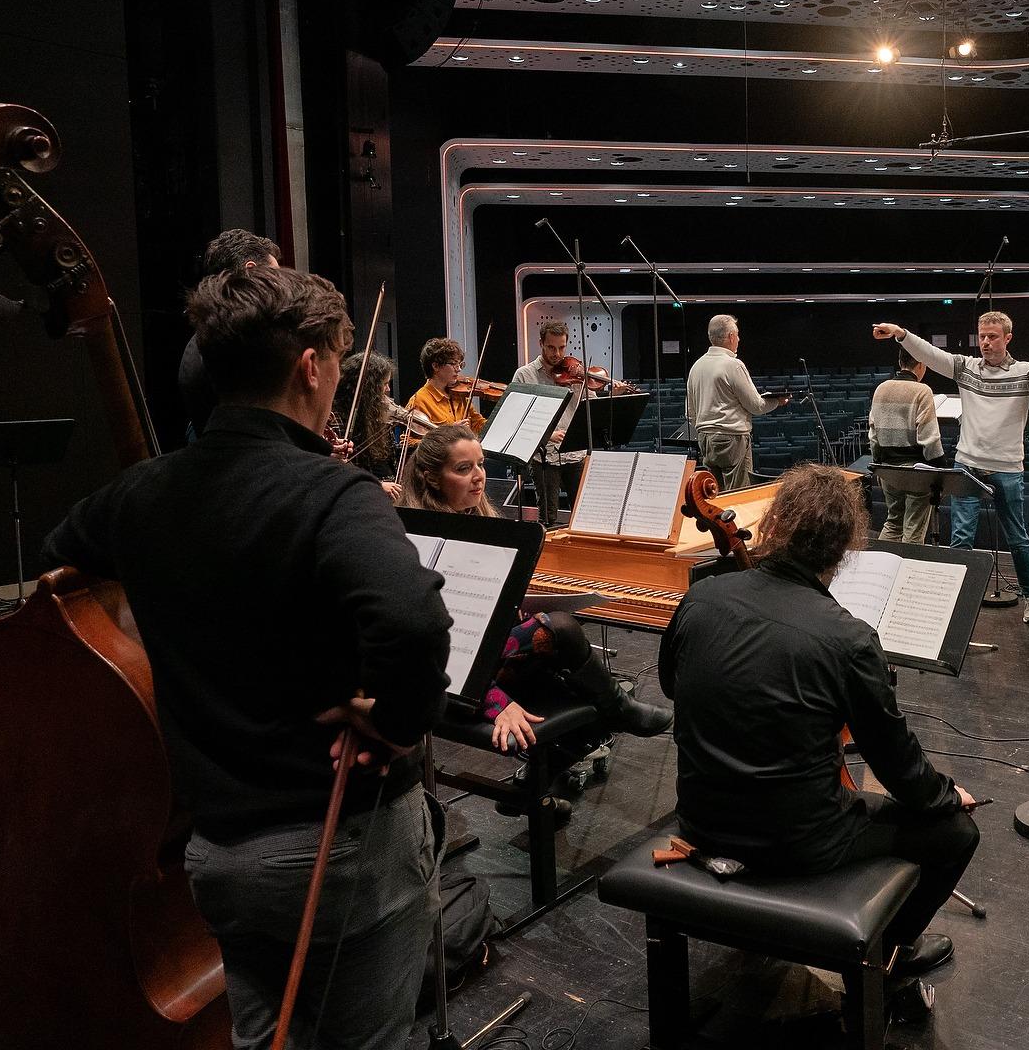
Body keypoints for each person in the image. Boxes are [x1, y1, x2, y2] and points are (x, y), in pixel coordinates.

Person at [43, 264, 451, 1050]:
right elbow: (410, 623)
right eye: (336, 357)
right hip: (335, 852)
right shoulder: (335, 495)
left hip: (215, 853)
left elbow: (62, 561)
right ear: (310, 366)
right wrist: (397, 724)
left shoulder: (140, 493)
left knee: (262, 1034)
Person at [660, 463, 981, 1013]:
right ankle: (892, 958)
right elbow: (898, 766)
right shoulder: (849, 639)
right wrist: (947, 796)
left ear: (775, 524)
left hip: (700, 819)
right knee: (955, 835)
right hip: (796, 844)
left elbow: (672, 685)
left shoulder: (701, 599)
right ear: (844, 549)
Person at [397, 423, 673, 749]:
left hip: (487, 650)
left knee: (565, 656)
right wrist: (496, 702)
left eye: (481, 464)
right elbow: (442, 649)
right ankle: (617, 709)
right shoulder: (417, 541)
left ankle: (548, 776)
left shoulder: (481, 521)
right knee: (561, 629)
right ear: (431, 477)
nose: (478, 476)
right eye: (463, 468)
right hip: (452, 670)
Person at [872, 313, 1029, 623]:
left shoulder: (1026, 373)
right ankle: (953, 599)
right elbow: (929, 353)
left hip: (1007, 467)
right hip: (968, 464)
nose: (986, 342)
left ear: (1007, 338)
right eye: (982, 336)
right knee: (961, 538)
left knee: (1017, 536)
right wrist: (902, 333)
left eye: (993, 336)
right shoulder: (966, 368)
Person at [509, 320, 631, 526]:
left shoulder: (576, 372)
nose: (557, 354)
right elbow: (517, 417)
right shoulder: (525, 375)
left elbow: (591, 406)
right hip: (545, 455)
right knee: (549, 517)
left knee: (582, 512)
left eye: (561, 347)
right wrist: (547, 434)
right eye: (551, 347)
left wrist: (613, 395)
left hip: (575, 453)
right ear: (541, 344)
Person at [178, 228, 280, 438]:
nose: (280, 285)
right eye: (275, 275)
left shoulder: (201, 339)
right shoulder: (242, 341)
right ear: (251, 271)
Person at [683, 314, 789, 489]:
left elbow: (689, 412)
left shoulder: (697, 366)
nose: (739, 339)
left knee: (714, 493)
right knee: (739, 493)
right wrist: (778, 401)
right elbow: (756, 406)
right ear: (731, 336)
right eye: (737, 335)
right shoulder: (733, 365)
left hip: (705, 439)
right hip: (732, 438)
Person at [869, 348, 945, 543]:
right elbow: (929, 438)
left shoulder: (881, 388)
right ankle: (907, 571)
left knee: (893, 522)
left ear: (900, 360)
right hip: (916, 472)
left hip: (888, 470)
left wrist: (879, 465)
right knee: (914, 529)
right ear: (921, 365)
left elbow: (873, 434)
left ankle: (882, 569)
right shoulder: (922, 390)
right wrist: (941, 470)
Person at [335, 351, 402, 501]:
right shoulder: (338, 418)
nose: (388, 390)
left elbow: (389, 458)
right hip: (363, 495)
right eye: (384, 384)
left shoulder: (378, 414)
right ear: (369, 386)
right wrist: (377, 484)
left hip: (391, 490)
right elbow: (339, 468)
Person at [405, 336, 487, 436]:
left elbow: (478, 424)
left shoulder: (459, 394)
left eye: (460, 364)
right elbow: (409, 442)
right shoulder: (419, 401)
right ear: (435, 366)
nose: (458, 369)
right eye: (453, 364)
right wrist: (448, 434)